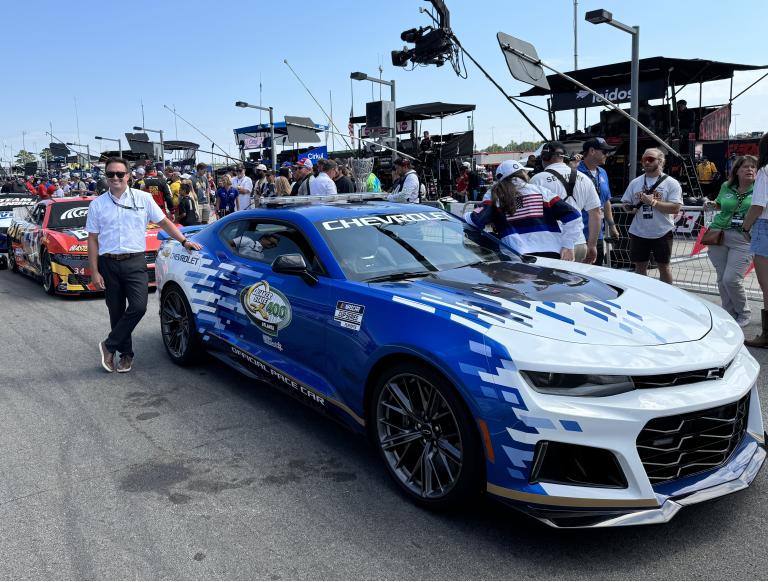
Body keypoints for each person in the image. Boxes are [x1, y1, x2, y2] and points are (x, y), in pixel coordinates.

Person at [86, 157, 202, 373]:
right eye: (111, 174)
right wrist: (94, 271)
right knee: (116, 312)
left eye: (120, 174)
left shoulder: (144, 198)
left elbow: (165, 222)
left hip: (135, 261)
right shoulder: (97, 204)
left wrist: (184, 241)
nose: (115, 178)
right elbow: (92, 239)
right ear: (106, 177)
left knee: (139, 307)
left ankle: (108, 346)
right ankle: (125, 355)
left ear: (128, 176)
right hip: (108, 263)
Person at [464, 159, 582, 259]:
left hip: (516, 255)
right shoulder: (541, 191)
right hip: (551, 252)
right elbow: (574, 216)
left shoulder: (494, 194)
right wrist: (568, 245)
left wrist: (466, 216)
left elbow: (477, 220)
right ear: (522, 174)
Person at [704, 155, 757, 327]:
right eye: (745, 167)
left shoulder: (761, 188)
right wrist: (711, 204)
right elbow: (720, 204)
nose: (749, 170)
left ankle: (743, 313)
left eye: (753, 167)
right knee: (721, 279)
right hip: (719, 234)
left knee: (731, 279)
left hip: (744, 237)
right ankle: (728, 312)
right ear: (737, 171)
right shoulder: (726, 186)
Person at [620, 147, 683, 284]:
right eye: (643, 159)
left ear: (660, 161)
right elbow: (625, 203)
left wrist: (653, 202)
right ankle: (643, 297)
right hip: (639, 231)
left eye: (650, 159)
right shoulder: (635, 182)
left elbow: (676, 207)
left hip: (662, 232)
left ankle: (667, 298)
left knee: (663, 267)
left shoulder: (671, 183)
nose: (646, 162)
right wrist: (628, 209)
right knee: (640, 267)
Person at [530, 141, 601, 263]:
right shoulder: (585, 179)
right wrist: (592, 245)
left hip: (551, 247)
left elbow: (532, 216)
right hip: (579, 244)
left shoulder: (537, 180)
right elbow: (596, 214)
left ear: (544, 157)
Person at [742, 134, 768, 347]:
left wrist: (745, 226)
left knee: (766, 285)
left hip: (765, 226)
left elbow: (758, 205)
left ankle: (767, 335)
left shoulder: (765, 171)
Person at [577, 137, 621, 266]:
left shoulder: (602, 172)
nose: (607, 155)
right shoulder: (575, 172)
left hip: (597, 235)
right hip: (578, 235)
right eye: (604, 152)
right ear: (591, 151)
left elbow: (606, 200)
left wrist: (612, 225)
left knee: (595, 274)